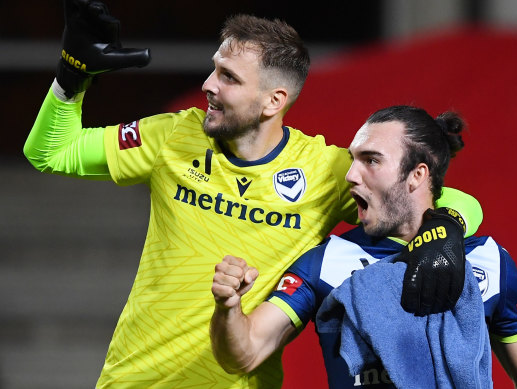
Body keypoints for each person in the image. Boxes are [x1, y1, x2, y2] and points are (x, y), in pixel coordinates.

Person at [23, 1, 483, 388]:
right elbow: (50, 153)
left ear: (273, 101)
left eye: (228, 76)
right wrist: (70, 79)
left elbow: (448, 200)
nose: (208, 85)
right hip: (134, 379)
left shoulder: (324, 170)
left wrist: (444, 228)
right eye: (213, 69)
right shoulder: (172, 137)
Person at [211, 105, 517, 388]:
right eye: (353, 159)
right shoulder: (327, 261)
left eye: (371, 160)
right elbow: (244, 354)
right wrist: (228, 307)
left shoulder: (489, 261)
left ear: (417, 175)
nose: (350, 175)